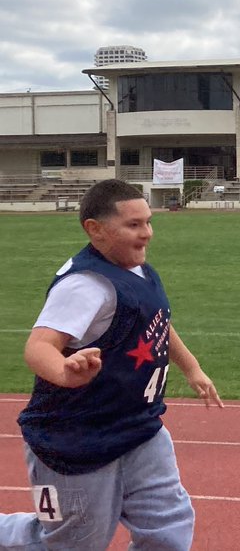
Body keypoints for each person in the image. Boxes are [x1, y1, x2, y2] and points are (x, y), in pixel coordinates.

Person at [0, 179, 223, 550]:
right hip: (76, 440)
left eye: (148, 222)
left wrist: (192, 367)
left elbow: (156, 321)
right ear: (95, 230)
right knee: (66, 543)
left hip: (139, 428)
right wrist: (65, 373)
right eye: (133, 225)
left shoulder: (136, 269)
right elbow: (38, 347)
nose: (147, 234)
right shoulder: (86, 286)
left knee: (168, 531)